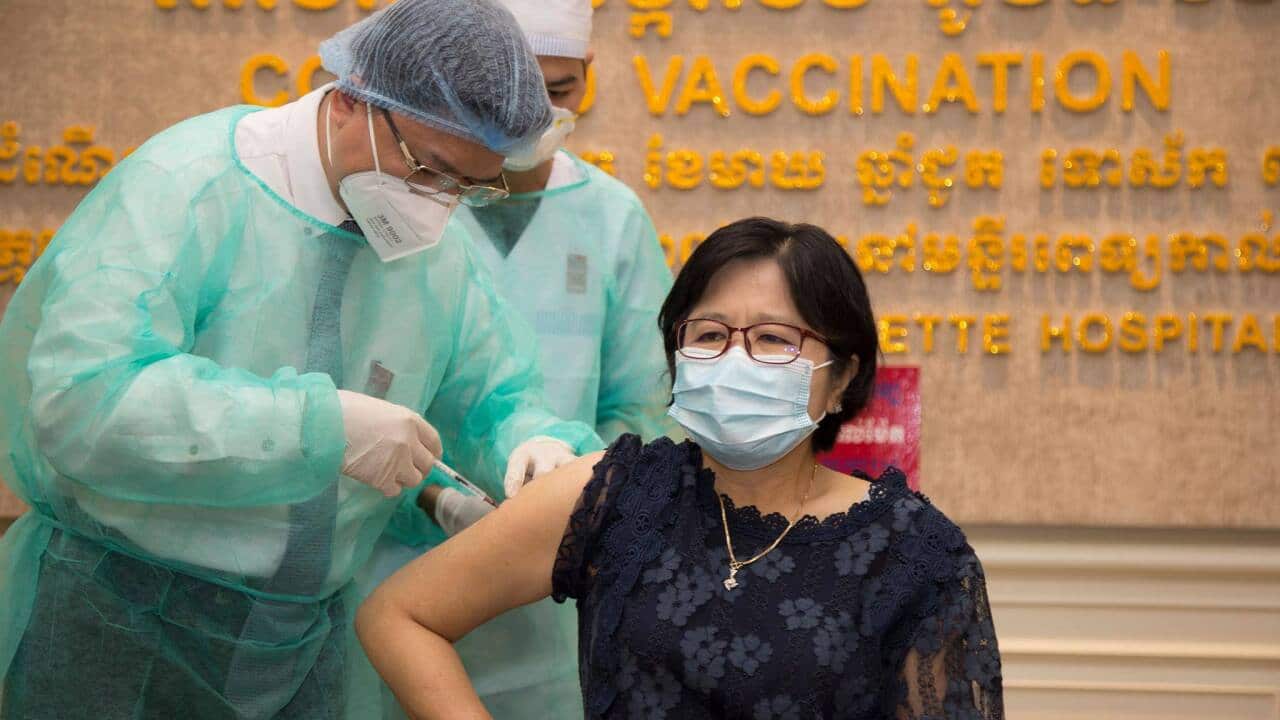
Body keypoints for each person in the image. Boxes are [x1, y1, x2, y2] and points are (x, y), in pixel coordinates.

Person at [0, 2, 603, 718]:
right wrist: (315, 426)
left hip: (303, 644)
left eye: (469, 187)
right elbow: (82, 402)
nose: (440, 208)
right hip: (120, 620)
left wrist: (532, 445)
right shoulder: (189, 185)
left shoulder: (436, 254)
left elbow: (492, 394)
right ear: (352, 99)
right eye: (428, 169)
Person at [357, 217, 1005, 720]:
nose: (734, 358)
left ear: (843, 378)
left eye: (774, 339)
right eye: (710, 334)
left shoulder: (914, 551)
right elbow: (399, 615)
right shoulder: (614, 494)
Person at [355, 1, 675, 716]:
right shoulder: (405, 202)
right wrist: (431, 497)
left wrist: (574, 487)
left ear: (589, 79)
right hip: (386, 564)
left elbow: (646, 407)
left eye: (555, 92)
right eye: (502, 93)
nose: (526, 115)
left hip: (552, 583)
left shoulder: (611, 217)